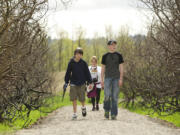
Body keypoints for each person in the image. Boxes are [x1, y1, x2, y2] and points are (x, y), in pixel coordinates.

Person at [64, 48, 93, 120]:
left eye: (80, 54)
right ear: (75, 54)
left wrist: (90, 81)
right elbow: (68, 73)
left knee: (82, 99)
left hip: (82, 83)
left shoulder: (83, 63)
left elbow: (87, 73)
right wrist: (66, 82)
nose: (79, 55)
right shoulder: (71, 63)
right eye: (77, 54)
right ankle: (75, 113)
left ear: (82, 55)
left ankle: (83, 107)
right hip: (73, 83)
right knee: (74, 99)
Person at [101, 40, 124, 120]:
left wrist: (121, 78)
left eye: (115, 45)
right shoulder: (105, 56)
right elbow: (103, 68)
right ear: (108, 46)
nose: (114, 46)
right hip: (107, 78)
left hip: (116, 78)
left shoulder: (119, 55)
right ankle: (107, 110)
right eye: (112, 45)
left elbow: (121, 67)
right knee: (107, 96)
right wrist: (102, 79)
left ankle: (114, 114)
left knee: (114, 97)